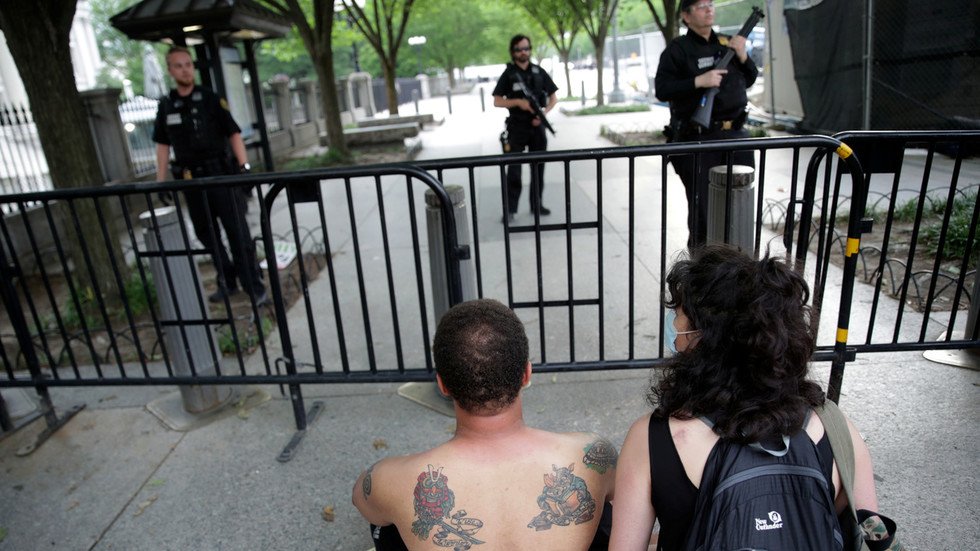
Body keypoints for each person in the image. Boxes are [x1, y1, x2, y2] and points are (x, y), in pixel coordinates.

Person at [609, 245, 880, 550]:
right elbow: (872, 533)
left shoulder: (654, 439)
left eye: (679, 315)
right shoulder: (834, 427)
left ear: (703, 337)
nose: (673, 326)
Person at [353, 299, 616, 550]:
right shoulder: (593, 453)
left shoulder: (390, 479)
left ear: (442, 385)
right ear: (526, 374)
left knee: (389, 523)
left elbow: (360, 501)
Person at [153, 46, 266, 305]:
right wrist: (161, 181)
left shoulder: (210, 99)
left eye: (188, 64)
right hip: (191, 180)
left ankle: (254, 284)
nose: (185, 69)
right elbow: (162, 144)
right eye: (179, 65)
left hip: (221, 176)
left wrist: (244, 168)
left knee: (237, 231)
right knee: (207, 234)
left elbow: (233, 133)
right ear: (170, 70)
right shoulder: (167, 105)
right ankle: (227, 279)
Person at [655, 0, 758, 248]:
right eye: (701, 6)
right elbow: (662, 89)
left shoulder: (729, 44)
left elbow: (751, 78)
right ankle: (701, 277)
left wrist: (743, 55)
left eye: (711, 4)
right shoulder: (678, 50)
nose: (709, 9)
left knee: (740, 209)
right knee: (704, 214)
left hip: (736, 135)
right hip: (698, 138)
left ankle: (740, 272)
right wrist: (698, 81)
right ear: (686, 16)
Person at [492, 34, 559, 222]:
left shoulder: (539, 71)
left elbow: (554, 98)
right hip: (516, 128)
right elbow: (497, 101)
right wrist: (518, 103)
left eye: (526, 48)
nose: (524, 52)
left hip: (538, 128)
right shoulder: (509, 74)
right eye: (519, 49)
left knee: (538, 169)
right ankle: (510, 210)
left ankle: (537, 205)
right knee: (514, 170)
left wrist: (543, 113)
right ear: (513, 52)